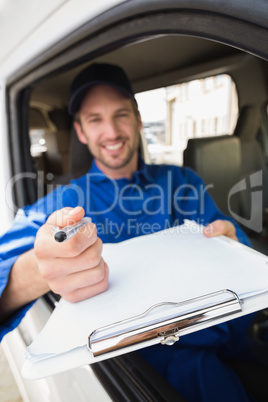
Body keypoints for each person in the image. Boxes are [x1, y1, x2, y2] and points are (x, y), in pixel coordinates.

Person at [0, 63, 256, 401]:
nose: (111, 131)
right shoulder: (64, 203)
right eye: (95, 119)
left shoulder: (183, 181)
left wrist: (233, 243)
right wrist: (39, 269)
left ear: (137, 119)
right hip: (157, 367)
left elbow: (238, 249)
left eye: (121, 114)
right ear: (80, 131)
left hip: (233, 332)